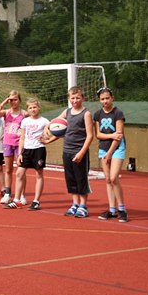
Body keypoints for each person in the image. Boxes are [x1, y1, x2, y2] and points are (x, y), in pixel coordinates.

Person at [4, 98, 56, 210]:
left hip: (39, 149)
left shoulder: (45, 121)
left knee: (39, 174)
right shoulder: (25, 121)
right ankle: (17, 200)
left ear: (39, 108)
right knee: (19, 173)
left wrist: (47, 140)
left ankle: (36, 201)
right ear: (27, 109)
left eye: (35, 107)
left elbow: (57, 131)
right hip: (26, 150)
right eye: (30, 107)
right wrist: (20, 153)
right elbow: (22, 137)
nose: (33, 109)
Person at [51, 86, 94, 218]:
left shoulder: (86, 114)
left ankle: (83, 205)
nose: (75, 100)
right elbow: (55, 124)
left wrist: (81, 153)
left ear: (83, 98)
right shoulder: (67, 112)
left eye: (77, 97)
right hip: (67, 151)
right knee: (71, 179)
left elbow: (90, 135)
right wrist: (48, 136)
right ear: (69, 98)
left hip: (79, 151)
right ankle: (75, 204)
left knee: (81, 179)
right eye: (72, 98)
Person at [93, 87, 128, 222]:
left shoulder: (118, 113)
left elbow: (118, 136)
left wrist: (109, 152)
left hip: (117, 148)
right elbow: (98, 134)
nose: (105, 101)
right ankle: (112, 210)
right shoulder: (98, 114)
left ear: (112, 98)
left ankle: (122, 209)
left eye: (107, 98)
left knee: (114, 178)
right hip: (103, 148)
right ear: (99, 100)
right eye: (102, 99)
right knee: (108, 179)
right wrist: (111, 135)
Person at [0, 90, 28, 204]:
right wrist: (4, 102)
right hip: (8, 143)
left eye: (15, 99)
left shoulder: (24, 114)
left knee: (21, 170)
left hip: (19, 144)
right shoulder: (6, 112)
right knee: (8, 169)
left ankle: (22, 194)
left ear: (19, 100)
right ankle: (7, 193)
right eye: (11, 100)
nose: (13, 102)